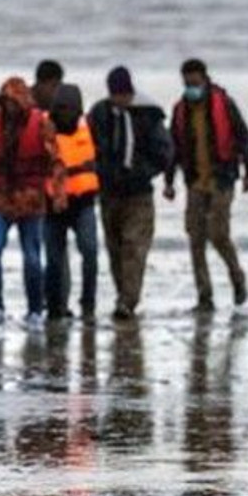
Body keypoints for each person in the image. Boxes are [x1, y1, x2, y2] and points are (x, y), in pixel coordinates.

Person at [165, 58, 248, 312]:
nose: (190, 86)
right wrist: (169, 181)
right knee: (195, 238)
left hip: (222, 179)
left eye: (194, 81)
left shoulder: (224, 104)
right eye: (186, 82)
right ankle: (204, 296)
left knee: (219, 234)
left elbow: (243, 137)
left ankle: (237, 277)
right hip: (195, 181)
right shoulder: (180, 110)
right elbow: (174, 148)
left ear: (204, 78)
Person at [87, 67, 172, 319]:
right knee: (115, 248)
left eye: (124, 94)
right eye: (116, 94)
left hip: (138, 194)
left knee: (134, 247)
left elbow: (164, 153)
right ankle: (122, 294)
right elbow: (89, 147)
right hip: (109, 194)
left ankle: (128, 300)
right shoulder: (100, 114)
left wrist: (140, 172)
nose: (120, 99)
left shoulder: (148, 115)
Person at [0, 77, 50, 330]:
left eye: (14, 102)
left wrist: (57, 195)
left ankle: (36, 311)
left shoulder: (41, 123)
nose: (10, 107)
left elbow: (56, 162)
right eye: (6, 102)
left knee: (32, 258)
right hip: (2, 200)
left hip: (31, 200)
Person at [43, 83, 100, 321]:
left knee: (90, 252)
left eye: (71, 109)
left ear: (79, 110)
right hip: (51, 205)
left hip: (83, 202)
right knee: (55, 260)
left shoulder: (90, 129)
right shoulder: (44, 129)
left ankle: (88, 303)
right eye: (61, 108)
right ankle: (56, 307)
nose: (66, 113)